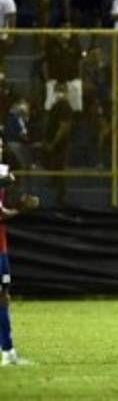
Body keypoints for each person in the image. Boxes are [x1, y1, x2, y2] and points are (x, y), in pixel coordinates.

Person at [0, 140, 38, 367]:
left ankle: (8, 350)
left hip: (1, 247)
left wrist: (22, 204)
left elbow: (3, 210)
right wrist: (21, 208)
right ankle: (8, 351)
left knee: (4, 297)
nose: (0, 148)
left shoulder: (3, 173)